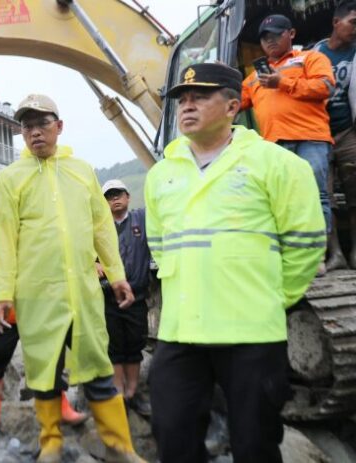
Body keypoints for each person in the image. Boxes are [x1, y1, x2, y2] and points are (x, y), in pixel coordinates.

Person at [147, 62, 325, 463]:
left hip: (251, 333)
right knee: (172, 435)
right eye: (182, 99)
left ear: (232, 107)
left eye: (200, 96)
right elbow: (160, 247)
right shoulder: (162, 175)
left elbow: (306, 242)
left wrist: (271, 297)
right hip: (181, 331)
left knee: (255, 444)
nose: (186, 106)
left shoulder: (277, 165)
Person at [0, 94, 141, 463]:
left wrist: (117, 274)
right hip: (37, 294)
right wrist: (1, 292)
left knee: (99, 367)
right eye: (26, 126)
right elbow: (4, 237)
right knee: (44, 371)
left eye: (42, 123)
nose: (35, 132)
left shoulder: (82, 171)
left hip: (84, 292)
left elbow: (101, 226)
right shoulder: (11, 178)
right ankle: (51, 442)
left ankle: (120, 447)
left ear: (59, 126)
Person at [0, 217, 87, 442]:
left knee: (49, 359)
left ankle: (61, 407)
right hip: (3, 312)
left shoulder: (38, 224)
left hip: (39, 306)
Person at [241, 13, 335, 274]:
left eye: (276, 35)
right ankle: (291, 255)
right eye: (264, 38)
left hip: (311, 139)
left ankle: (317, 257)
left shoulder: (311, 58)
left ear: (291, 34)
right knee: (282, 201)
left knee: (315, 196)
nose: (269, 41)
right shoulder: (253, 78)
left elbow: (325, 87)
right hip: (274, 145)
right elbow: (234, 102)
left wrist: (282, 82)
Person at [100, 179, 151, 417]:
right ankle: (118, 393)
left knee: (135, 346)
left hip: (137, 297)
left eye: (119, 194)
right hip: (109, 298)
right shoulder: (99, 228)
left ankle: (133, 391)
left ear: (128, 196)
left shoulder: (142, 220)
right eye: (109, 196)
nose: (115, 199)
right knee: (114, 347)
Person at [313, 2, 356, 270]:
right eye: (353, 22)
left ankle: (354, 253)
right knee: (322, 197)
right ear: (336, 22)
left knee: (355, 195)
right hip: (317, 135)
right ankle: (336, 253)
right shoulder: (313, 54)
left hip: (348, 133)